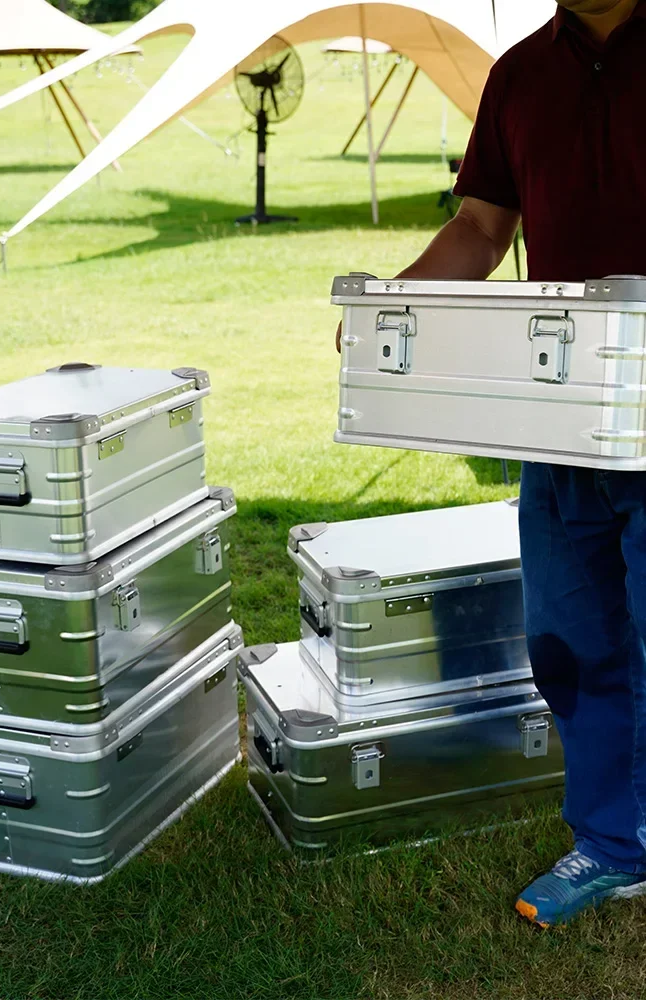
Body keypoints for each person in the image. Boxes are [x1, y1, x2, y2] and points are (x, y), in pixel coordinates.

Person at [337, 0, 646, 927]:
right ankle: (615, 845)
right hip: (557, 423)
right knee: (573, 639)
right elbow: (481, 228)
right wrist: (387, 319)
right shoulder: (518, 75)